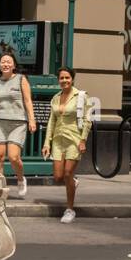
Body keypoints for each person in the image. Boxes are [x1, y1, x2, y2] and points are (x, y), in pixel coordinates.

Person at [41, 67, 90, 223]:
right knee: (58, 176)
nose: (64, 81)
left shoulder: (81, 96)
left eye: (67, 78)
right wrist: (46, 143)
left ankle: (70, 209)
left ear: (72, 79)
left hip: (74, 139)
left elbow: (88, 120)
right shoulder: (55, 98)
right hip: (58, 140)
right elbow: (52, 121)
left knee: (68, 173)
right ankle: (73, 183)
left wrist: (83, 140)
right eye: (61, 78)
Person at [0, 52, 37, 197]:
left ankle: (21, 179)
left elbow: (28, 101)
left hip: (18, 122)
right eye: (3, 62)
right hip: (0, 122)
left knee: (14, 157)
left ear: (14, 65)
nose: (6, 64)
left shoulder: (21, 79)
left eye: (9, 62)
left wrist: (32, 120)